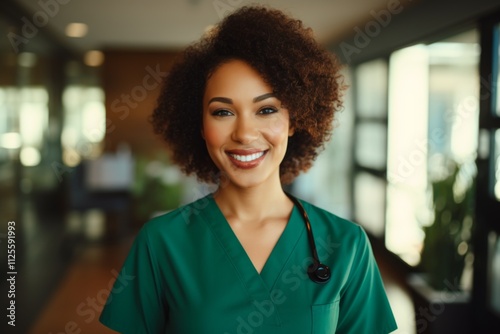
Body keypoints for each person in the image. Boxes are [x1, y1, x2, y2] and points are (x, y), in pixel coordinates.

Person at [99, 5, 398, 334]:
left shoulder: (346, 245)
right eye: (222, 112)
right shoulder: (161, 244)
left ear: (294, 120)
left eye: (266, 109)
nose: (244, 133)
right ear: (199, 126)